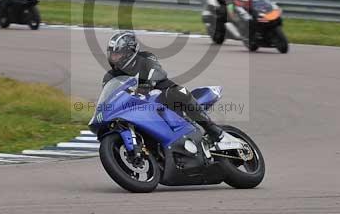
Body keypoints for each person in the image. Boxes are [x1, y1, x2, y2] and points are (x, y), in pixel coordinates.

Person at [103, 30, 242, 146]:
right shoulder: (110, 76)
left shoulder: (145, 58)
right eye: (112, 54)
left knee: (178, 93)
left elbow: (157, 71)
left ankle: (214, 131)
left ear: (129, 52)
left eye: (117, 54)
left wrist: (147, 84)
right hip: (138, 106)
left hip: (162, 96)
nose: (114, 58)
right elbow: (109, 94)